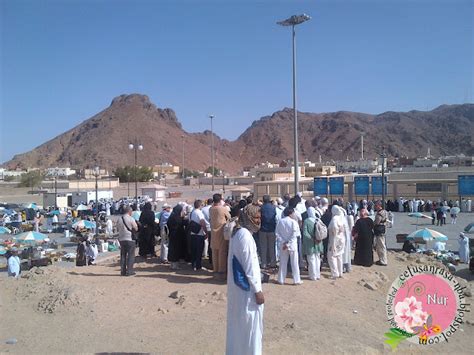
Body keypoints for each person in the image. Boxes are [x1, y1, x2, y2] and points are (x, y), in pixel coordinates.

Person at [226, 219, 264, 355]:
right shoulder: (245, 236)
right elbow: (250, 266)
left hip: (240, 289)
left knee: (239, 327)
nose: (258, 221)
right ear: (248, 218)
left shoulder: (239, 233)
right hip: (247, 291)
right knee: (250, 327)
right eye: (256, 218)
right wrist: (258, 290)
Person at [275, 207, 302, 285]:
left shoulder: (280, 222)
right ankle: (296, 280)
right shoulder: (293, 222)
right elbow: (295, 234)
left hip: (283, 245)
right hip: (292, 245)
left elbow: (277, 233)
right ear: (291, 213)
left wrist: (284, 242)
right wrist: (289, 243)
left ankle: (281, 279)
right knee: (294, 263)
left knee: (283, 262)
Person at [210, 194, 231, 280]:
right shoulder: (222, 209)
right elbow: (229, 217)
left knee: (215, 252)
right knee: (222, 252)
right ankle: (221, 272)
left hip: (213, 232)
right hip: (221, 232)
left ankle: (215, 271)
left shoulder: (211, 209)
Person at [302, 206, 323, 280]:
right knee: (318, 259)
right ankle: (318, 275)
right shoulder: (318, 220)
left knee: (311, 260)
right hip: (318, 242)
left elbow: (305, 233)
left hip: (309, 244)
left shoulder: (306, 221)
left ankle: (313, 275)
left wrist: (311, 238)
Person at [117, 206, 138, 276]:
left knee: (123, 255)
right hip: (130, 238)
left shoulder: (119, 219)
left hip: (121, 239)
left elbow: (117, 228)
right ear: (129, 211)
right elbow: (136, 228)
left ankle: (123, 271)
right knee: (131, 255)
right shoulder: (131, 219)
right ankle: (129, 271)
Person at [328, 205, 346, 279]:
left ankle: (335, 273)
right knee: (339, 256)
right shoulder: (341, 217)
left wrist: (333, 244)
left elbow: (334, 230)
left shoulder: (334, 219)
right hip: (341, 239)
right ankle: (340, 272)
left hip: (334, 239)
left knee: (331, 256)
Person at [258, 195, 277, 269]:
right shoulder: (273, 208)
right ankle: (273, 263)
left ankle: (264, 263)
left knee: (263, 247)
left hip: (263, 229)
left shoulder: (261, 208)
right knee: (272, 247)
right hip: (272, 229)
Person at [167, 204, 187, 270]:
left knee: (172, 249)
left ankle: (172, 264)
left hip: (172, 235)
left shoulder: (172, 216)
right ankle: (175, 265)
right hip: (177, 236)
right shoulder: (177, 217)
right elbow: (182, 223)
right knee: (176, 250)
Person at [189, 200, 207, 271]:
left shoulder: (192, 212)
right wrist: (206, 232)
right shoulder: (199, 212)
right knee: (199, 251)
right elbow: (202, 222)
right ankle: (198, 266)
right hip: (199, 234)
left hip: (193, 233)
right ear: (200, 205)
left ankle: (193, 264)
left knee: (193, 250)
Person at [374, 200, 388, 266]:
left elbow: (377, 222)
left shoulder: (380, 213)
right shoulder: (384, 212)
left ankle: (383, 261)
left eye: (376, 205)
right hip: (382, 230)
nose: (375, 207)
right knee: (380, 246)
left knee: (381, 246)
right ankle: (381, 259)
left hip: (379, 230)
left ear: (379, 205)